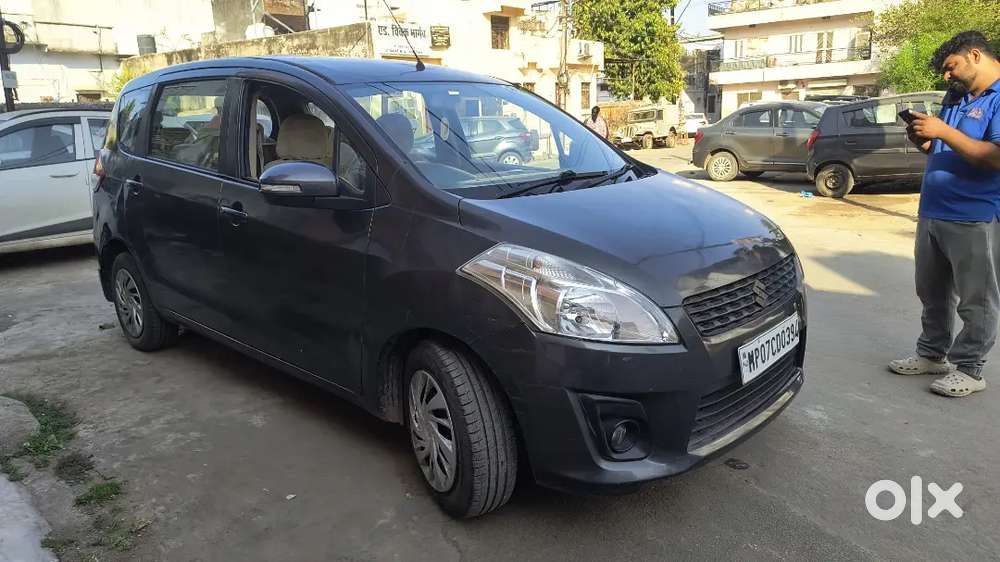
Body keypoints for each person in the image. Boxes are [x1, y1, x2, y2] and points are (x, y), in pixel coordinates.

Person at [889, 31, 1000, 397]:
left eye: (951, 67)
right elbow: (945, 148)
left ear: (975, 55)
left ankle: (970, 368)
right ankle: (932, 353)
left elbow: (995, 157)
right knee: (931, 290)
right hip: (933, 210)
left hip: (975, 214)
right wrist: (925, 139)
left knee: (976, 298)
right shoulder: (957, 96)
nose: (947, 76)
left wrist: (944, 132)